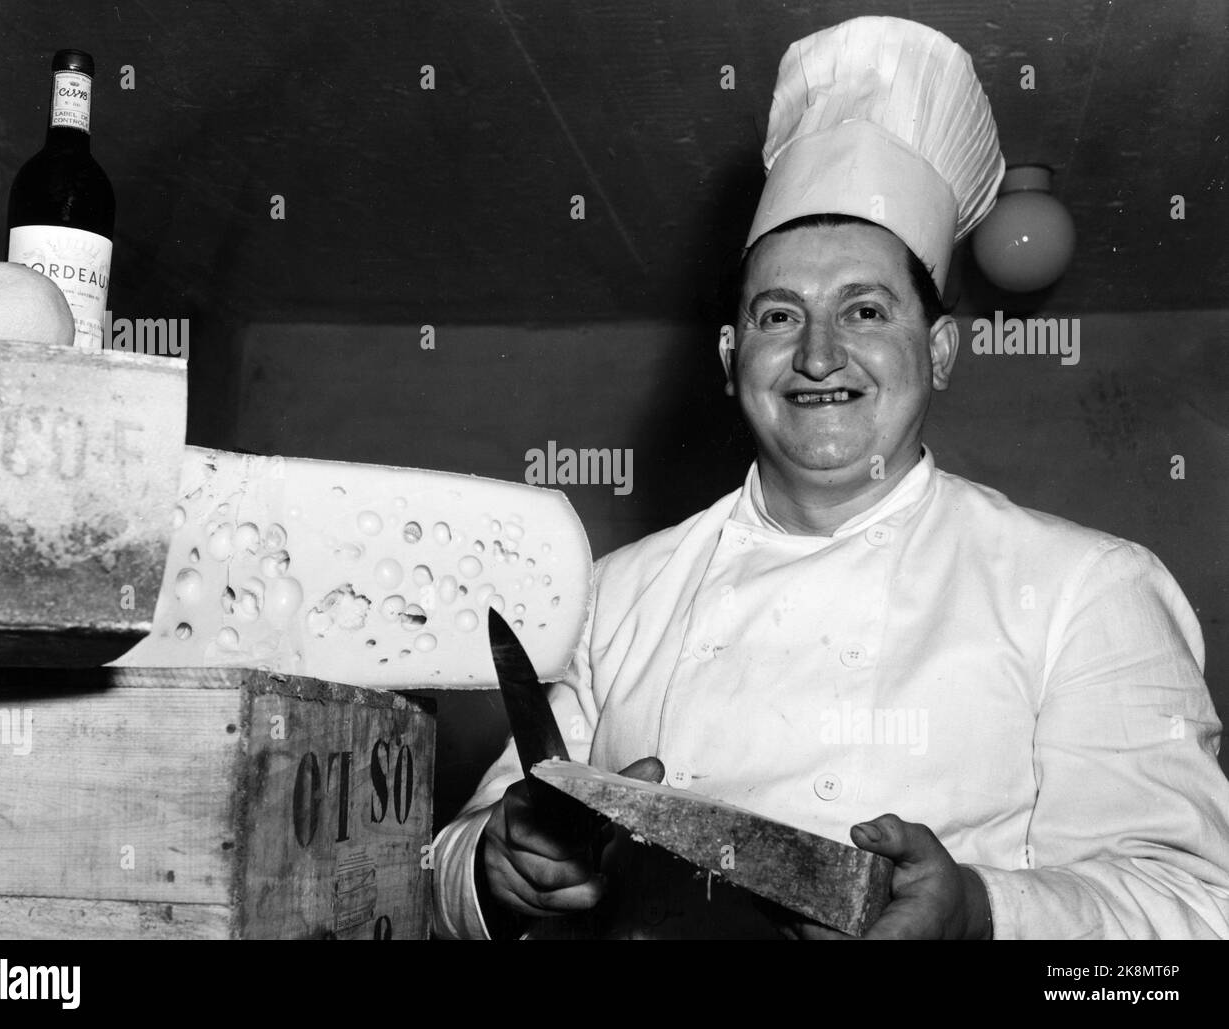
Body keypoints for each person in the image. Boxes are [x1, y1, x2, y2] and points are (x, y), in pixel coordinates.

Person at [431, 15, 1229, 939]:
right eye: (779, 316)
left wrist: (980, 914)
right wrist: (500, 866)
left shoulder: (1085, 589)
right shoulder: (615, 597)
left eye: (864, 308)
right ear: (732, 356)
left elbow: (1192, 926)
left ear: (938, 350)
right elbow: (443, 876)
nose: (818, 354)